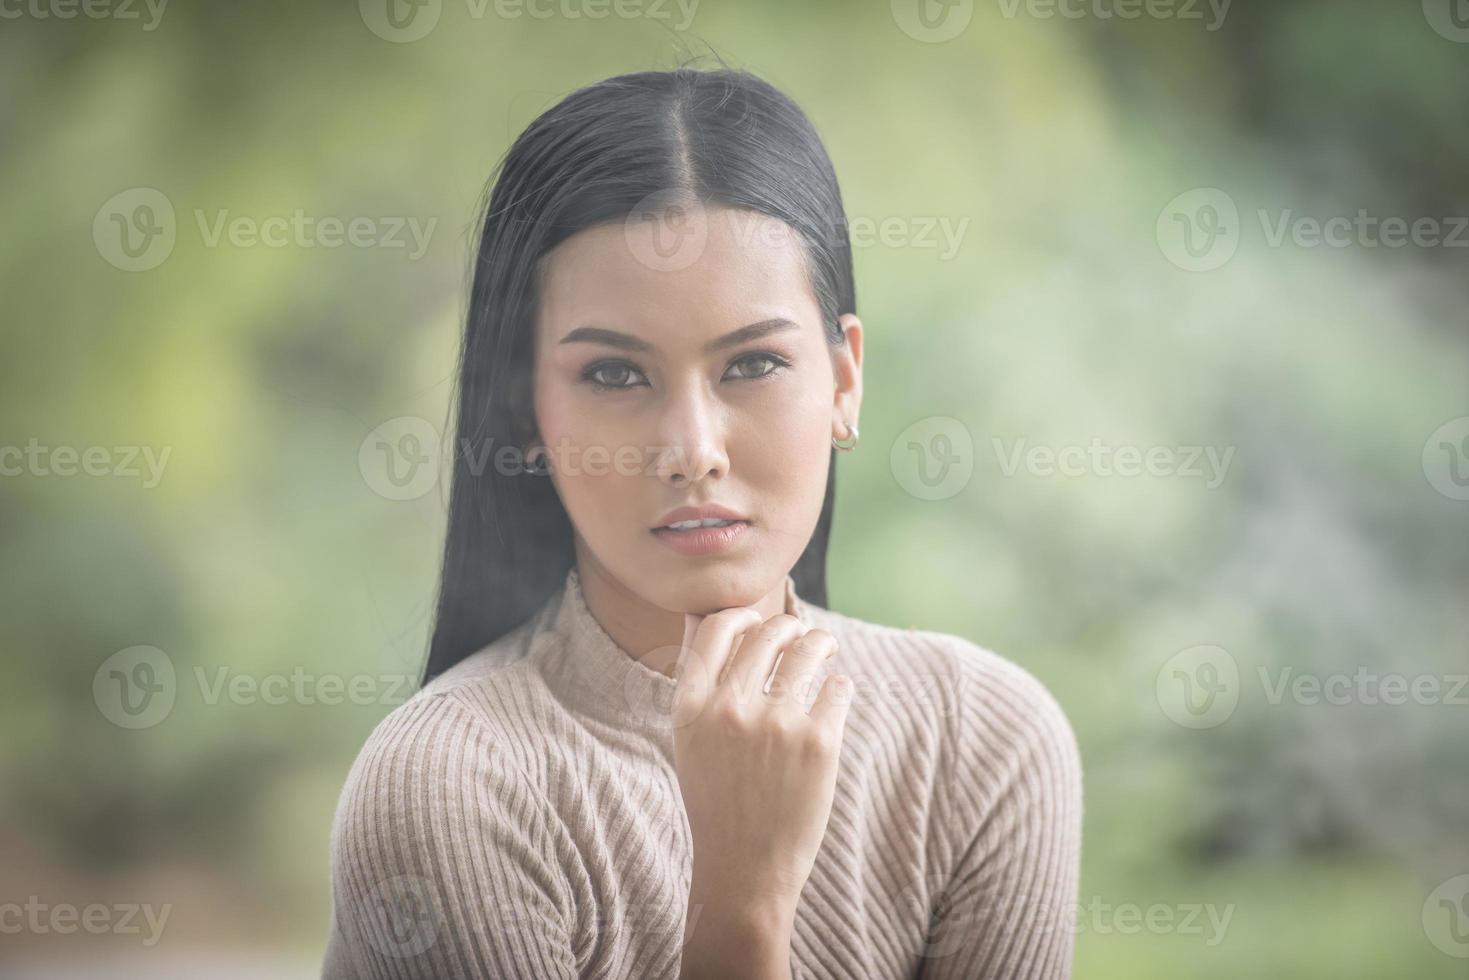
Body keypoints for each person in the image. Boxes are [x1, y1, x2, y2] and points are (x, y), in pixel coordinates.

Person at [322, 64, 1082, 979]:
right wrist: (741, 899)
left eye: (753, 364)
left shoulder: (980, 741)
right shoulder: (449, 787)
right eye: (614, 374)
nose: (692, 450)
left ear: (843, 382)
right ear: (523, 408)